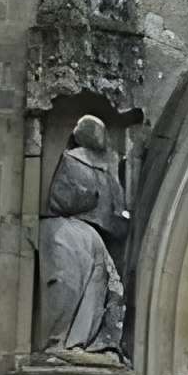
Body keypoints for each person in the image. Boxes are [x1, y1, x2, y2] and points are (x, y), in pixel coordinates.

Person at [37, 116, 129, 355]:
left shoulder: (110, 163)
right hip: (71, 230)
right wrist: (90, 197)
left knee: (105, 286)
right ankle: (63, 343)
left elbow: (117, 213)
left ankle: (87, 342)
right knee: (70, 285)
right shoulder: (72, 160)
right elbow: (59, 199)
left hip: (94, 234)